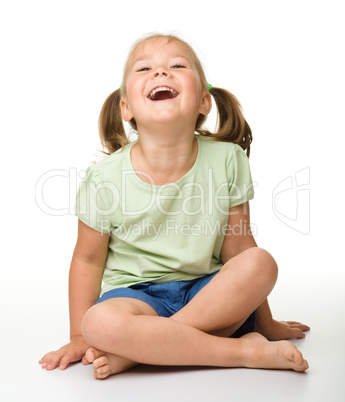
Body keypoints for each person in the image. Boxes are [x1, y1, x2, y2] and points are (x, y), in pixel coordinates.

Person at [39, 33, 310, 379]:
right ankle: (241, 349)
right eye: (145, 68)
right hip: (137, 299)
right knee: (99, 322)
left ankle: (141, 353)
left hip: (208, 293)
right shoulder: (104, 178)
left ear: (204, 101)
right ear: (127, 108)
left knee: (260, 263)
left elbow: (239, 249)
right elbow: (87, 260)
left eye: (177, 66)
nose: (161, 72)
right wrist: (79, 335)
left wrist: (267, 321)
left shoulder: (228, 159)